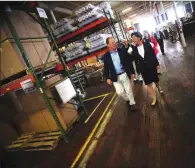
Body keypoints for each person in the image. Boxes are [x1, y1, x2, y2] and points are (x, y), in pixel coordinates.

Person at [103, 37, 137, 111]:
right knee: (119, 92)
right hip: (115, 77)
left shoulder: (122, 51)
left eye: (114, 42)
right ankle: (128, 99)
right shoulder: (106, 56)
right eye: (112, 43)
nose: (114, 43)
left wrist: (132, 72)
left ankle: (133, 103)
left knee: (128, 90)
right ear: (108, 45)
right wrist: (107, 78)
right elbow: (106, 68)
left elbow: (129, 62)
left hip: (124, 74)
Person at [131, 32, 163, 106]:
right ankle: (154, 98)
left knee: (155, 80)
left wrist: (157, 64)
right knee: (148, 84)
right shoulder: (134, 49)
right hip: (143, 68)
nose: (133, 39)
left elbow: (153, 55)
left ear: (139, 38)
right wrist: (138, 70)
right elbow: (135, 60)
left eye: (134, 38)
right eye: (132, 38)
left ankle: (159, 87)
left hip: (151, 66)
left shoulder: (147, 44)